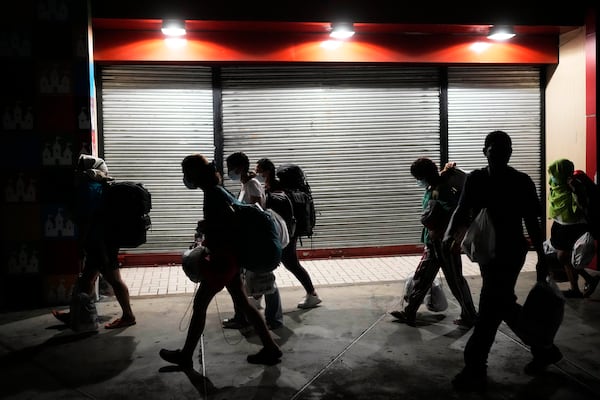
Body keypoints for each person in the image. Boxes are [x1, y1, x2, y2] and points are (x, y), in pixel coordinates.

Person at [443, 130, 560, 392]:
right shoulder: (476, 179)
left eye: (504, 151)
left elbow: (532, 221)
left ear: (510, 153)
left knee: (489, 307)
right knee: (502, 303)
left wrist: (542, 257)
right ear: (484, 151)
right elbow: (462, 208)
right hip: (487, 252)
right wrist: (450, 234)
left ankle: (475, 367)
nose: (499, 155)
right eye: (494, 150)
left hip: (511, 252)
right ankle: (544, 348)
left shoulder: (521, 181)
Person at [159, 154, 282, 368]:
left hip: (222, 260)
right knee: (244, 303)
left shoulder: (213, 194)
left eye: (186, 173)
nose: (185, 178)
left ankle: (186, 356)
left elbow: (226, 225)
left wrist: (207, 230)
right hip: (230, 258)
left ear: (194, 175)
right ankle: (270, 347)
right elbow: (227, 220)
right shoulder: (218, 190)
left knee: (200, 305)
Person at [51, 154, 136, 330]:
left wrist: (81, 242)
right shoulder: (98, 185)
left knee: (113, 279)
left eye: (79, 168)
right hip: (101, 240)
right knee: (87, 279)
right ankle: (77, 314)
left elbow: (89, 219)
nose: (76, 171)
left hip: (100, 242)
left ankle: (128, 315)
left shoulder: (90, 188)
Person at [390, 158, 477, 327]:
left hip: (444, 242)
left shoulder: (442, 188)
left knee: (455, 280)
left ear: (424, 176)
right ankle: (409, 311)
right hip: (433, 242)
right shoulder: (435, 184)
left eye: (418, 178)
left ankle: (470, 315)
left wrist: (442, 226)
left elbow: (454, 211)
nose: (418, 182)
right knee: (422, 278)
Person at [221, 152, 284, 331]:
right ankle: (245, 317)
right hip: (248, 239)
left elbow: (256, 210)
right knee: (255, 279)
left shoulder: (252, 184)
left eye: (230, 167)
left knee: (265, 279)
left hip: (256, 240)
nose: (228, 171)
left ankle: (273, 319)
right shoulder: (246, 184)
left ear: (239, 167)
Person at [256, 158, 322, 309]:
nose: (257, 173)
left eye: (259, 170)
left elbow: (278, 212)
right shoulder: (273, 185)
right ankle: (258, 296)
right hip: (287, 232)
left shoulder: (277, 187)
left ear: (266, 171)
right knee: (282, 263)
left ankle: (312, 294)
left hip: (286, 233)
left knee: (286, 263)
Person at [547, 159, 599, 298]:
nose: (552, 176)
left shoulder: (574, 184)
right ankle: (578, 286)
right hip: (560, 224)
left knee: (563, 256)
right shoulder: (556, 184)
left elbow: (582, 205)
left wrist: (575, 190)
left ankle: (585, 282)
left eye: (554, 172)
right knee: (563, 256)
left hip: (573, 226)